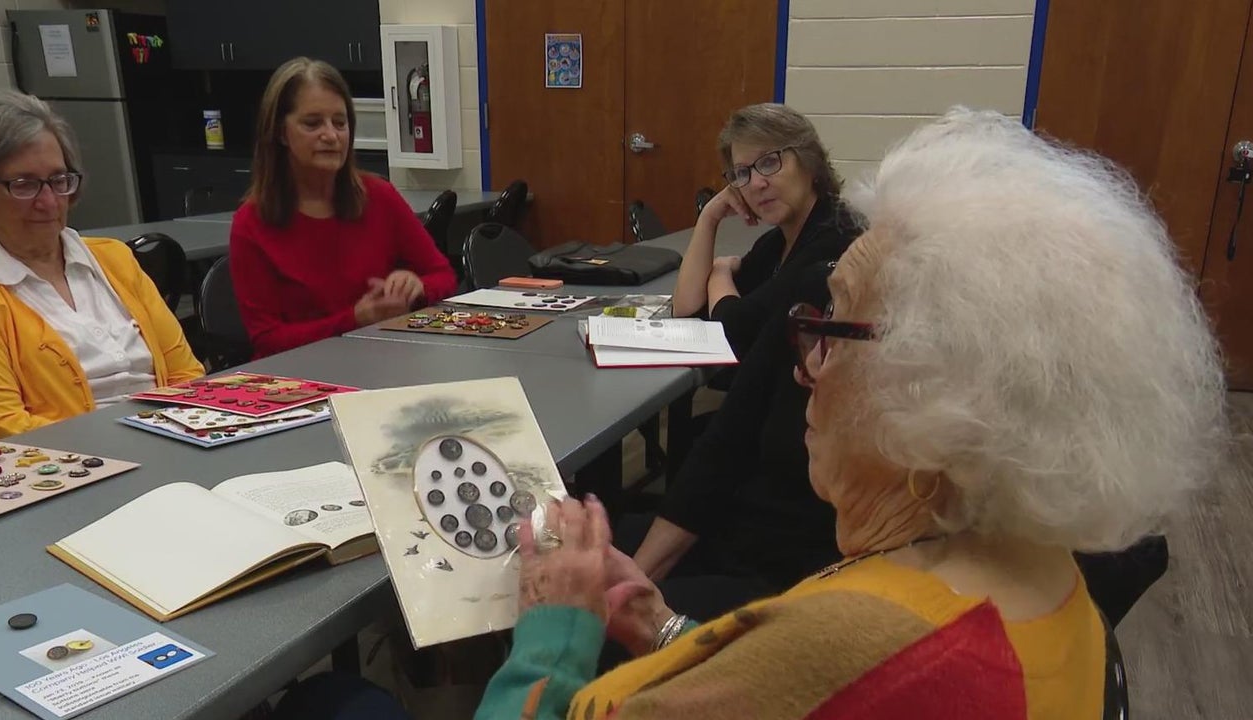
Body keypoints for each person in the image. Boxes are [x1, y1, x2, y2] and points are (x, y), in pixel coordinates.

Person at [468, 109, 1228, 718]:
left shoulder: (851, 642)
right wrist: (660, 625)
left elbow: (814, 672)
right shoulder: (1042, 579)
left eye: (832, 330)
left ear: (939, 387)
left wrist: (552, 632)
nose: (805, 367)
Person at [617, 260, 843, 625]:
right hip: (736, 530)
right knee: (574, 556)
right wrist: (635, 583)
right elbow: (724, 445)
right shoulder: (814, 284)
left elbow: (734, 325)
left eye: (833, 334)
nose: (808, 367)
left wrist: (631, 606)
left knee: (607, 624)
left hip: (799, 579)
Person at [0, 90, 204, 439]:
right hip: (68, 462)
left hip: (171, 442)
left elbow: (186, 376)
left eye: (59, 180)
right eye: (24, 185)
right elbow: (4, 427)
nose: (50, 202)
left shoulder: (114, 258)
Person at [230, 58, 457, 359]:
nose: (331, 135)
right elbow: (267, 340)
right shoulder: (251, 223)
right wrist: (355, 319)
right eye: (312, 123)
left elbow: (443, 275)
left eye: (340, 123)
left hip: (381, 361)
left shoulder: (379, 197)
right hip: (299, 375)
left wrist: (416, 287)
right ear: (281, 133)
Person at [672, 103, 857, 360]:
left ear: (810, 162)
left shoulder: (836, 236)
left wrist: (720, 272)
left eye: (769, 162)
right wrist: (709, 218)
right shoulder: (779, 241)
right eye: (742, 172)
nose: (757, 183)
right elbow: (687, 310)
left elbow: (732, 331)